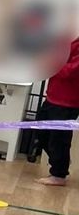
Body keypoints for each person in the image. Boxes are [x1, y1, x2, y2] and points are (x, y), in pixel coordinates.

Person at [34, 36, 79, 187]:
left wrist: (50, 64)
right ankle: (60, 160)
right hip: (53, 95)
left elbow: (71, 71)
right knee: (41, 132)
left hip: (68, 100)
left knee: (58, 137)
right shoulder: (67, 38)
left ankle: (59, 174)